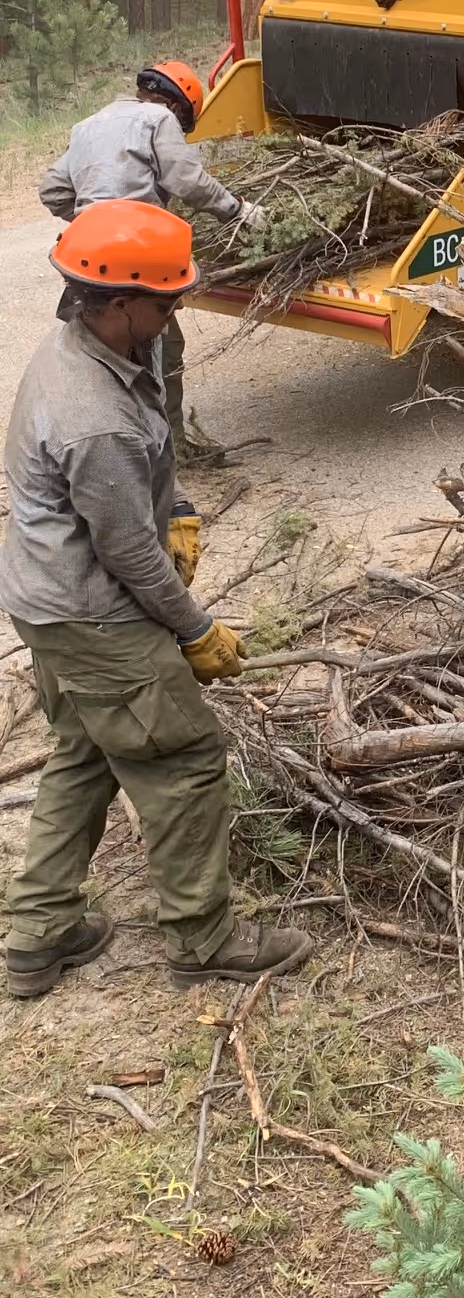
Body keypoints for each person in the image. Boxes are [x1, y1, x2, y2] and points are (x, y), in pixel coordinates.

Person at [0, 200, 310, 998]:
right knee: (183, 762)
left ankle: (39, 935)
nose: (175, 311)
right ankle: (203, 940)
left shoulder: (82, 351)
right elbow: (125, 550)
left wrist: (175, 507)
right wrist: (196, 629)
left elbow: (142, 491)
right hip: (94, 617)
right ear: (114, 302)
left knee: (85, 754)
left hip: (50, 604)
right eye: (165, 300)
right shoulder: (91, 417)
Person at [39, 60, 266, 459]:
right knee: (162, 345)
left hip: (88, 256)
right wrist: (238, 210)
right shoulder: (158, 119)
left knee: (94, 345)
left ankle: (96, 444)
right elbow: (188, 181)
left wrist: (94, 217)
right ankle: (165, 451)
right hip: (133, 254)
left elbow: (53, 191)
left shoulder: (87, 125)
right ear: (178, 107)